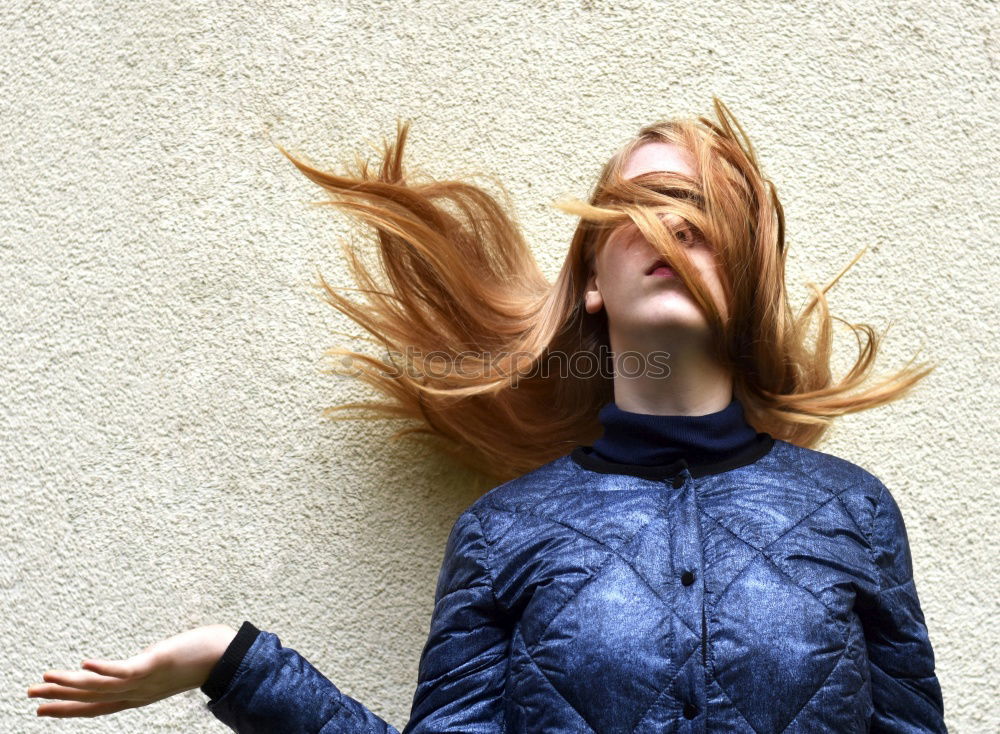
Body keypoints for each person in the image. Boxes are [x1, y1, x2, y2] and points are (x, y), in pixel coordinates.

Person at [27, 98, 947, 732]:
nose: (680, 224)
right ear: (591, 280)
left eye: (707, 208)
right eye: (645, 204)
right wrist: (235, 664)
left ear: (745, 272)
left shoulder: (852, 514)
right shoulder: (502, 533)